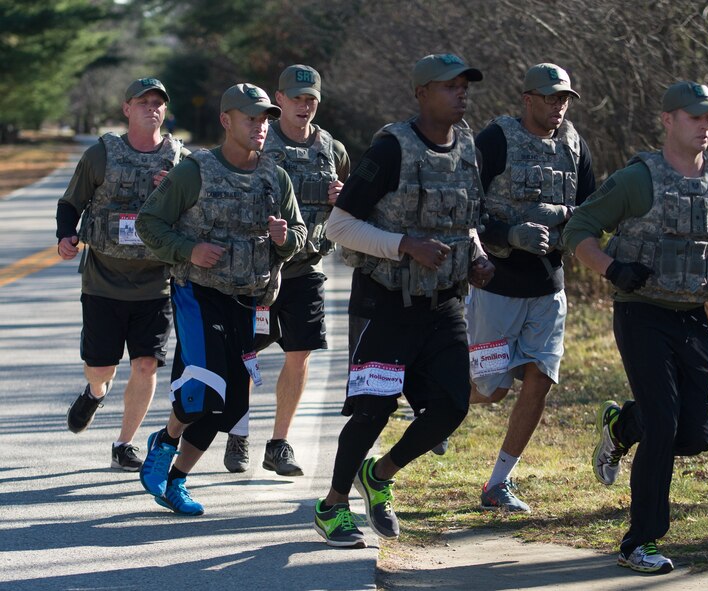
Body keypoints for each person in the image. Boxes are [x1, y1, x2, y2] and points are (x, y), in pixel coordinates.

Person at [563, 81, 708, 573]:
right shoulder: (636, 180)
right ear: (668, 120)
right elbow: (578, 229)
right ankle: (640, 542)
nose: (705, 124)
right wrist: (611, 268)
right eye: (695, 116)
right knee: (665, 423)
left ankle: (622, 424)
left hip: (693, 316)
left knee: (693, 435)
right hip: (641, 311)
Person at [312, 53, 494, 548]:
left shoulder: (469, 148)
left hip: (443, 304)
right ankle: (332, 507)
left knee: (452, 406)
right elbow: (340, 225)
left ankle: (379, 475)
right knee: (373, 410)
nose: (461, 94)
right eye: (450, 86)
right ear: (422, 94)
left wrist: (477, 257)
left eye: (465, 86)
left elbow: (467, 220)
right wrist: (405, 245)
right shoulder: (391, 148)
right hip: (386, 301)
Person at [134, 83, 306, 515]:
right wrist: (188, 250)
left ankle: (175, 479)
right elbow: (149, 223)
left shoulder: (275, 176)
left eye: (265, 119)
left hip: (247, 299)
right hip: (198, 292)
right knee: (203, 391)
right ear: (226, 120)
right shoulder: (195, 171)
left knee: (229, 404)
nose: (260, 127)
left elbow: (300, 235)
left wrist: (285, 240)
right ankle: (165, 442)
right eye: (251, 118)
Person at [468, 63, 596, 512]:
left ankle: (498, 483)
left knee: (539, 381)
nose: (558, 107)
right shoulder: (495, 141)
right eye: (549, 98)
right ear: (527, 99)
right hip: (497, 287)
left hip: (548, 288)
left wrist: (578, 237)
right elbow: (465, 210)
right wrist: (507, 235)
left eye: (563, 99)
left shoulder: (575, 145)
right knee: (491, 389)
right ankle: (437, 407)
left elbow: (589, 212)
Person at [222, 65, 351, 476]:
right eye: (295, 98)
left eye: (310, 98)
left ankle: (278, 443)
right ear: (279, 99)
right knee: (246, 355)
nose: (303, 105)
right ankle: (239, 433)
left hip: (307, 267)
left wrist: (342, 199)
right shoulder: (259, 140)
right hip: (257, 271)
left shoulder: (333, 149)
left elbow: (352, 205)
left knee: (299, 354)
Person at [57, 78, 186, 471]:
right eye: (143, 102)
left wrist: (175, 193)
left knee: (146, 364)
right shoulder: (102, 154)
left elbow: (200, 214)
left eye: (158, 103)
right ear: (126, 108)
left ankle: (124, 443)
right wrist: (66, 235)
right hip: (103, 280)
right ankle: (95, 394)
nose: (152, 108)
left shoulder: (181, 161)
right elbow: (71, 201)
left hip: (156, 282)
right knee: (101, 369)